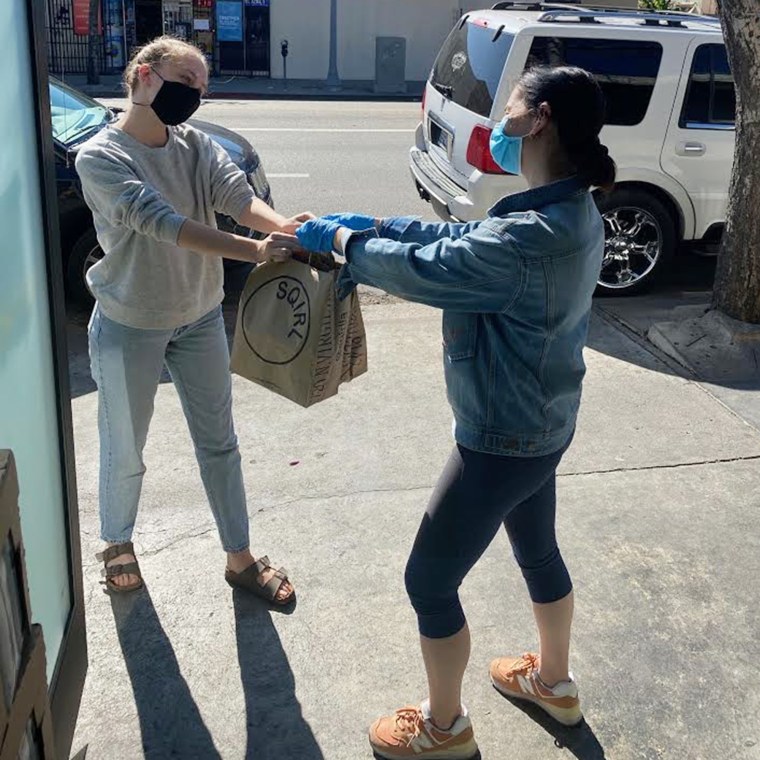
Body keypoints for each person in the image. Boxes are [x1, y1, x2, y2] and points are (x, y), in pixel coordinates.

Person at [296, 66, 616, 758]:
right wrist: (375, 224)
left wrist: (347, 244)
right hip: (545, 421)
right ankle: (555, 685)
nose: (500, 118)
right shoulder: (570, 209)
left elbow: (436, 271)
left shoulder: (534, 234)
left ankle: (445, 729)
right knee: (539, 552)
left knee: (429, 581)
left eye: (511, 106)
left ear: (541, 119)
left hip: (502, 436)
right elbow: (458, 244)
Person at [76, 37, 307, 604]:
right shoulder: (100, 157)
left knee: (219, 443)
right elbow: (161, 221)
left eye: (202, 88)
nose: (195, 96)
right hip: (130, 322)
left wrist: (283, 227)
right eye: (186, 82)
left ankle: (239, 558)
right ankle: (117, 544)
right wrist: (255, 251)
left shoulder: (196, 145)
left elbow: (235, 195)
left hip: (199, 318)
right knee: (125, 446)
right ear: (144, 76)